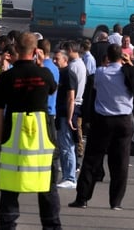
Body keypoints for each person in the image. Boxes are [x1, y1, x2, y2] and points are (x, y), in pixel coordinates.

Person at [0, 32, 61, 230]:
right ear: (36, 50)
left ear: (16, 48)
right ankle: (52, 226)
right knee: (47, 186)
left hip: (13, 137)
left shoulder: (7, 77)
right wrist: (39, 65)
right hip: (42, 138)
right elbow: (52, 89)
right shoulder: (44, 74)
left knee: (9, 188)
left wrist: (1, 137)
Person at [70, 44, 134, 210]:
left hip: (103, 119)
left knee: (92, 159)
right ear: (122, 57)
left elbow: (93, 86)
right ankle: (116, 201)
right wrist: (129, 63)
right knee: (120, 162)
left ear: (107, 57)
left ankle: (83, 198)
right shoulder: (129, 73)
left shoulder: (101, 73)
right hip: (123, 120)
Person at [56, 41, 86, 189]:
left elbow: (71, 97)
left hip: (69, 110)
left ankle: (70, 177)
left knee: (67, 145)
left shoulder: (70, 71)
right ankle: (68, 175)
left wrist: (69, 116)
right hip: (67, 110)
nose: (55, 62)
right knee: (64, 145)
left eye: (58, 59)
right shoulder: (69, 70)